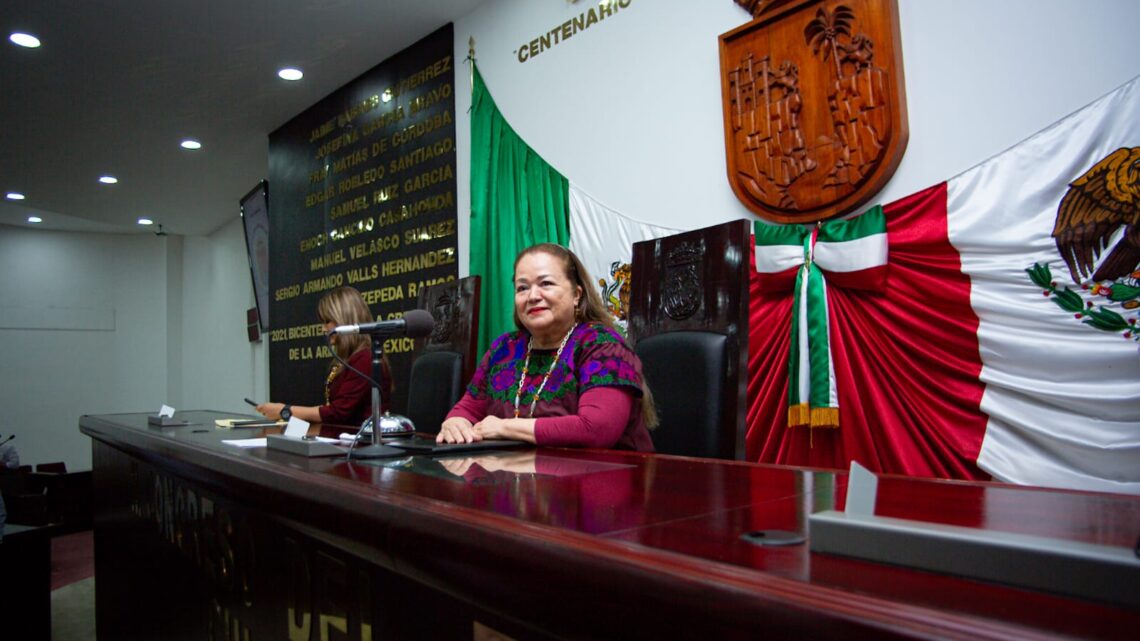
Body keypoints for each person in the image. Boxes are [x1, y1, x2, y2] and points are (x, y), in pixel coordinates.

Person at [438, 243, 657, 450]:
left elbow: (596, 429)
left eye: (546, 284)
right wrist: (455, 422)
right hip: (523, 479)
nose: (533, 296)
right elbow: (467, 408)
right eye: (522, 288)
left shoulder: (603, 345)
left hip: (609, 478)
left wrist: (504, 427)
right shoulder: (505, 348)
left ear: (576, 295)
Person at [256, 286, 391, 426]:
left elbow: (337, 412)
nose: (323, 329)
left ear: (344, 319)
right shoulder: (348, 359)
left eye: (327, 321)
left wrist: (285, 411)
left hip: (361, 443)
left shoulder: (365, 358)